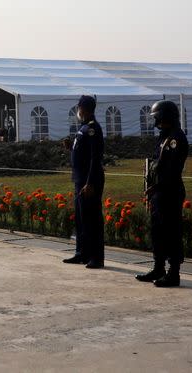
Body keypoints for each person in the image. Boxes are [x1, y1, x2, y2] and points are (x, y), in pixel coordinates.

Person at [136, 100, 189, 288]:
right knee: (157, 231)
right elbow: (156, 164)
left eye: (157, 116)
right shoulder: (163, 137)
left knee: (172, 232)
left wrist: (156, 187)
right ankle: (158, 267)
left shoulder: (176, 138)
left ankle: (173, 272)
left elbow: (172, 170)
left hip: (170, 191)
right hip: (158, 192)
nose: (156, 121)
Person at [62, 95, 105, 269]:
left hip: (89, 181)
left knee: (92, 220)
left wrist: (90, 183)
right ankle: (81, 253)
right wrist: (70, 146)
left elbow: (95, 158)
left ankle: (96, 257)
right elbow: (83, 151)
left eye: (79, 108)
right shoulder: (84, 127)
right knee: (81, 219)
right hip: (79, 180)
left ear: (84, 109)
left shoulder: (93, 129)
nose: (78, 111)